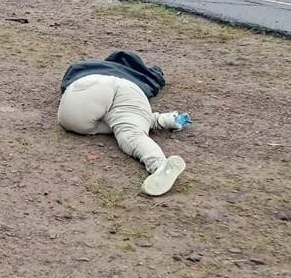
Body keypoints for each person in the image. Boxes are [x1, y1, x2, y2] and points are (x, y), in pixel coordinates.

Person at [57, 51, 191, 196]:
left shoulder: (86, 66)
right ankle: (159, 165)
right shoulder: (129, 81)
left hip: (73, 98)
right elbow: (136, 114)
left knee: (124, 122)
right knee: (131, 133)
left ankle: (166, 120)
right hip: (120, 90)